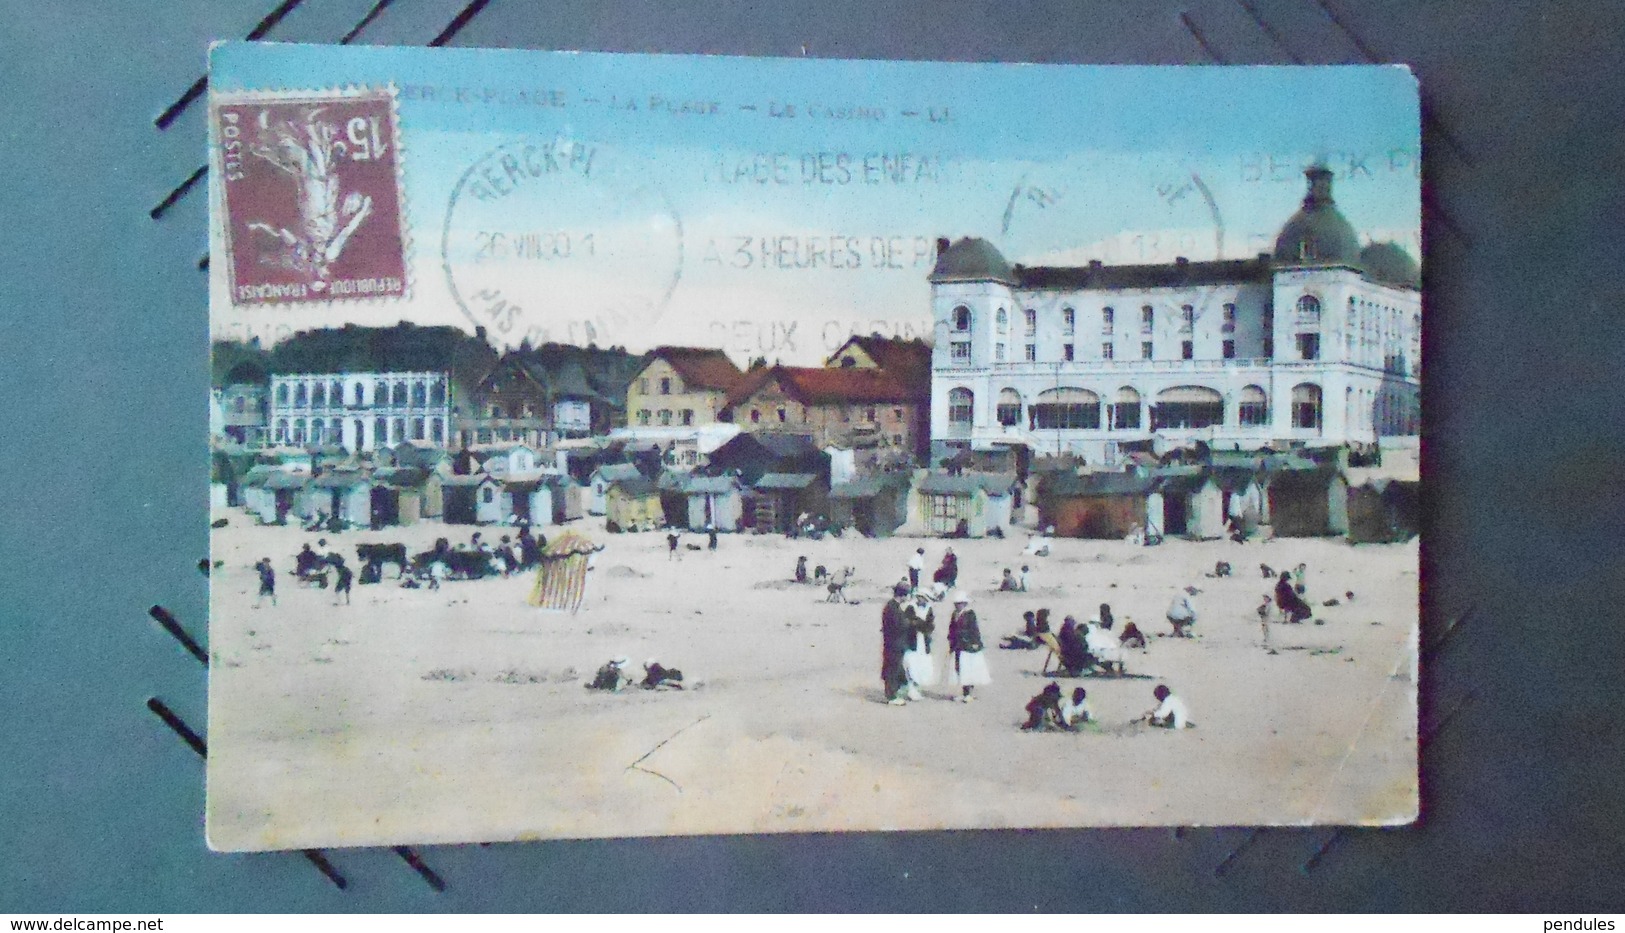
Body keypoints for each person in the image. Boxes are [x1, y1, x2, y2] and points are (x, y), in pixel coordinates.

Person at [946, 591, 991, 702]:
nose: (957, 605)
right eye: (956, 603)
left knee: (969, 668)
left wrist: (976, 642)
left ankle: (969, 693)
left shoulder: (970, 614)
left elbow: (974, 629)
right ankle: (964, 692)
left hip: (968, 644)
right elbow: (951, 628)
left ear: (965, 603)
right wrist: (951, 641)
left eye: (960, 603)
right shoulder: (954, 614)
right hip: (957, 645)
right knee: (959, 668)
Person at [881, 582, 914, 705]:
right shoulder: (893, 607)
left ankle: (893, 693)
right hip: (894, 643)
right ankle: (892, 696)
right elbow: (897, 626)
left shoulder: (892, 606)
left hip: (893, 643)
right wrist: (909, 623)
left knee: (894, 667)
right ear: (903, 595)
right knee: (892, 668)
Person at [902, 592, 937, 700]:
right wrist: (921, 624)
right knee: (911, 664)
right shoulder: (911, 608)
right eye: (921, 597)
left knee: (921, 665)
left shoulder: (929, 609)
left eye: (925, 598)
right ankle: (911, 689)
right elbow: (909, 622)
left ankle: (916, 689)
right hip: (912, 641)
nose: (922, 600)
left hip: (923, 641)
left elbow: (930, 625)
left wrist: (921, 625)